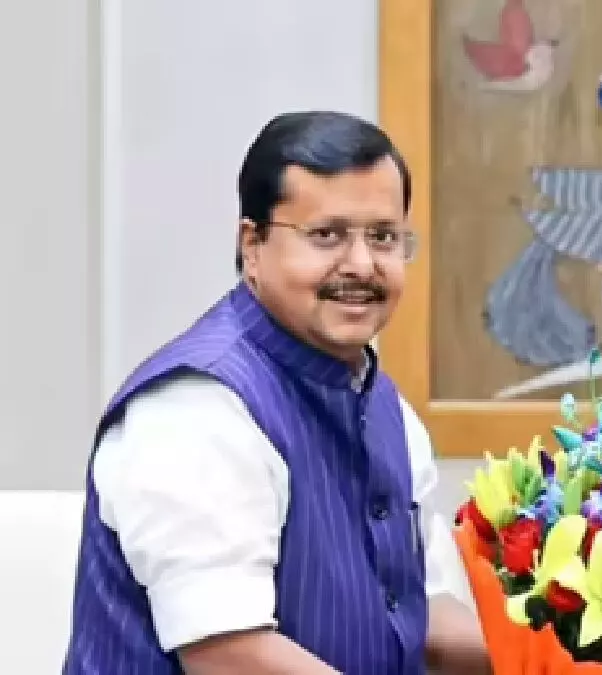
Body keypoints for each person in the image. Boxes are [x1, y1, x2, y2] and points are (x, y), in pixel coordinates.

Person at [63, 111, 487, 674]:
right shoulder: (196, 407)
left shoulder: (383, 405)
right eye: (327, 235)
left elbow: (417, 612)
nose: (362, 265)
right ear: (253, 244)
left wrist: (570, 659)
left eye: (383, 237)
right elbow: (228, 655)